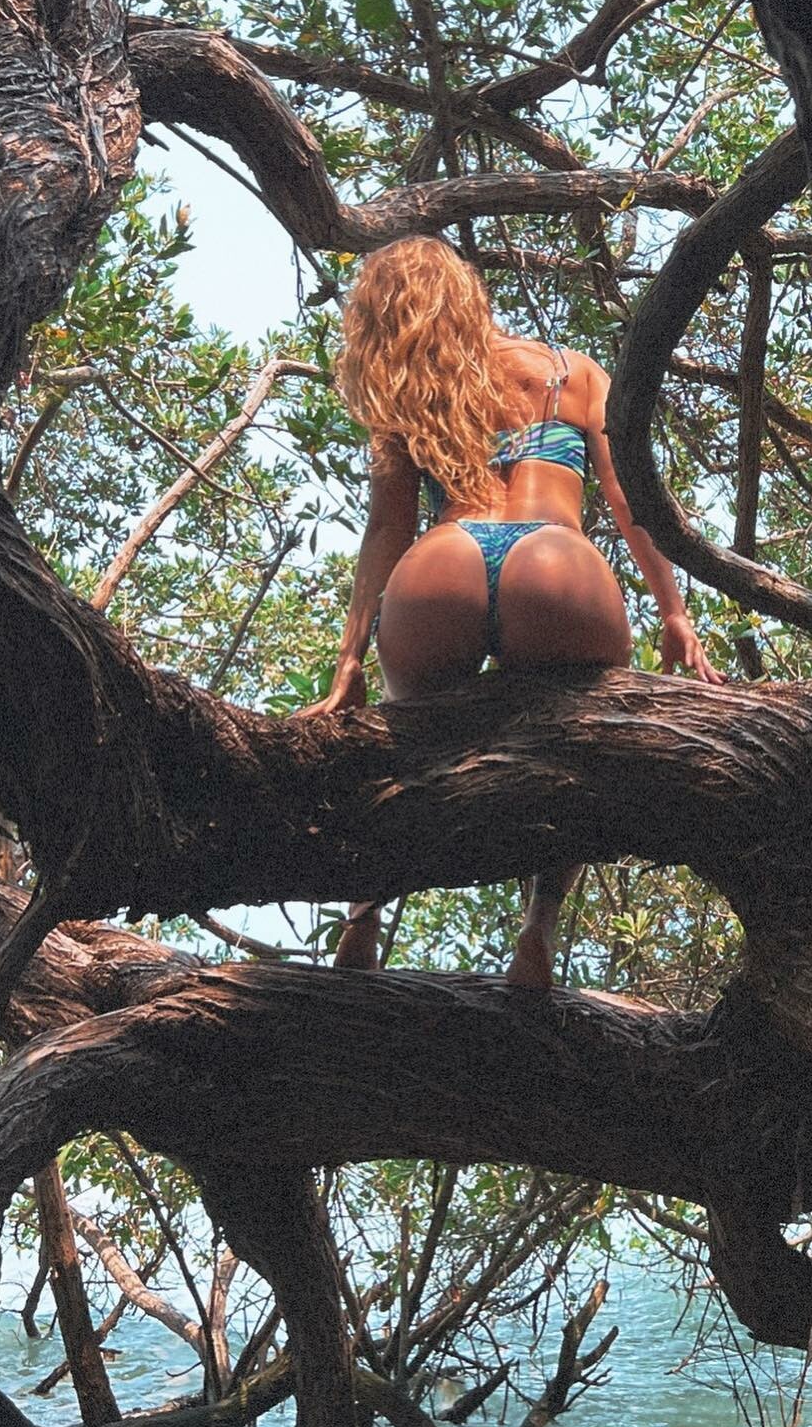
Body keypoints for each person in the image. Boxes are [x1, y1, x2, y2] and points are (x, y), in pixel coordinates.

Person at [296, 236, 724, 989]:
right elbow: (633, 505)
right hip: (555, 562)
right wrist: (674, 612)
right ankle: (539, 929)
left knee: (405, 735)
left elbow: (387, 529)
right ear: (469, 293)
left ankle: (364, 914)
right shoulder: (573, 372)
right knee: (583, 739)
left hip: (445, 560)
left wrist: (349, 662)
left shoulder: (412, 393)